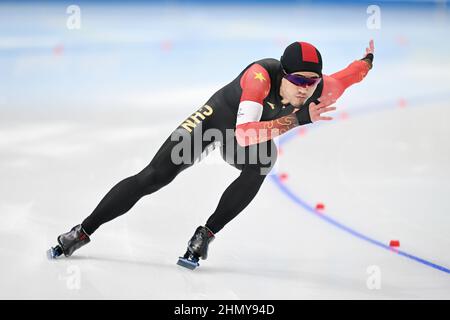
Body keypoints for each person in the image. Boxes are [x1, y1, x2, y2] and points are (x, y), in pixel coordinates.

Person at [48, 40, 375, 270]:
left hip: (247, 139)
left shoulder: (321, 88)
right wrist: (299, 119)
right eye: (298, 80)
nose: (306, 88)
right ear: (282, 75)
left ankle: (205, 234)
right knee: (154, 176)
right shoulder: (260, 77)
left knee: (263, 162)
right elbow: (245, 131)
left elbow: (353, 74)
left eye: (313, 80)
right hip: (214, 123)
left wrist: (368, 60)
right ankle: (82, 231)